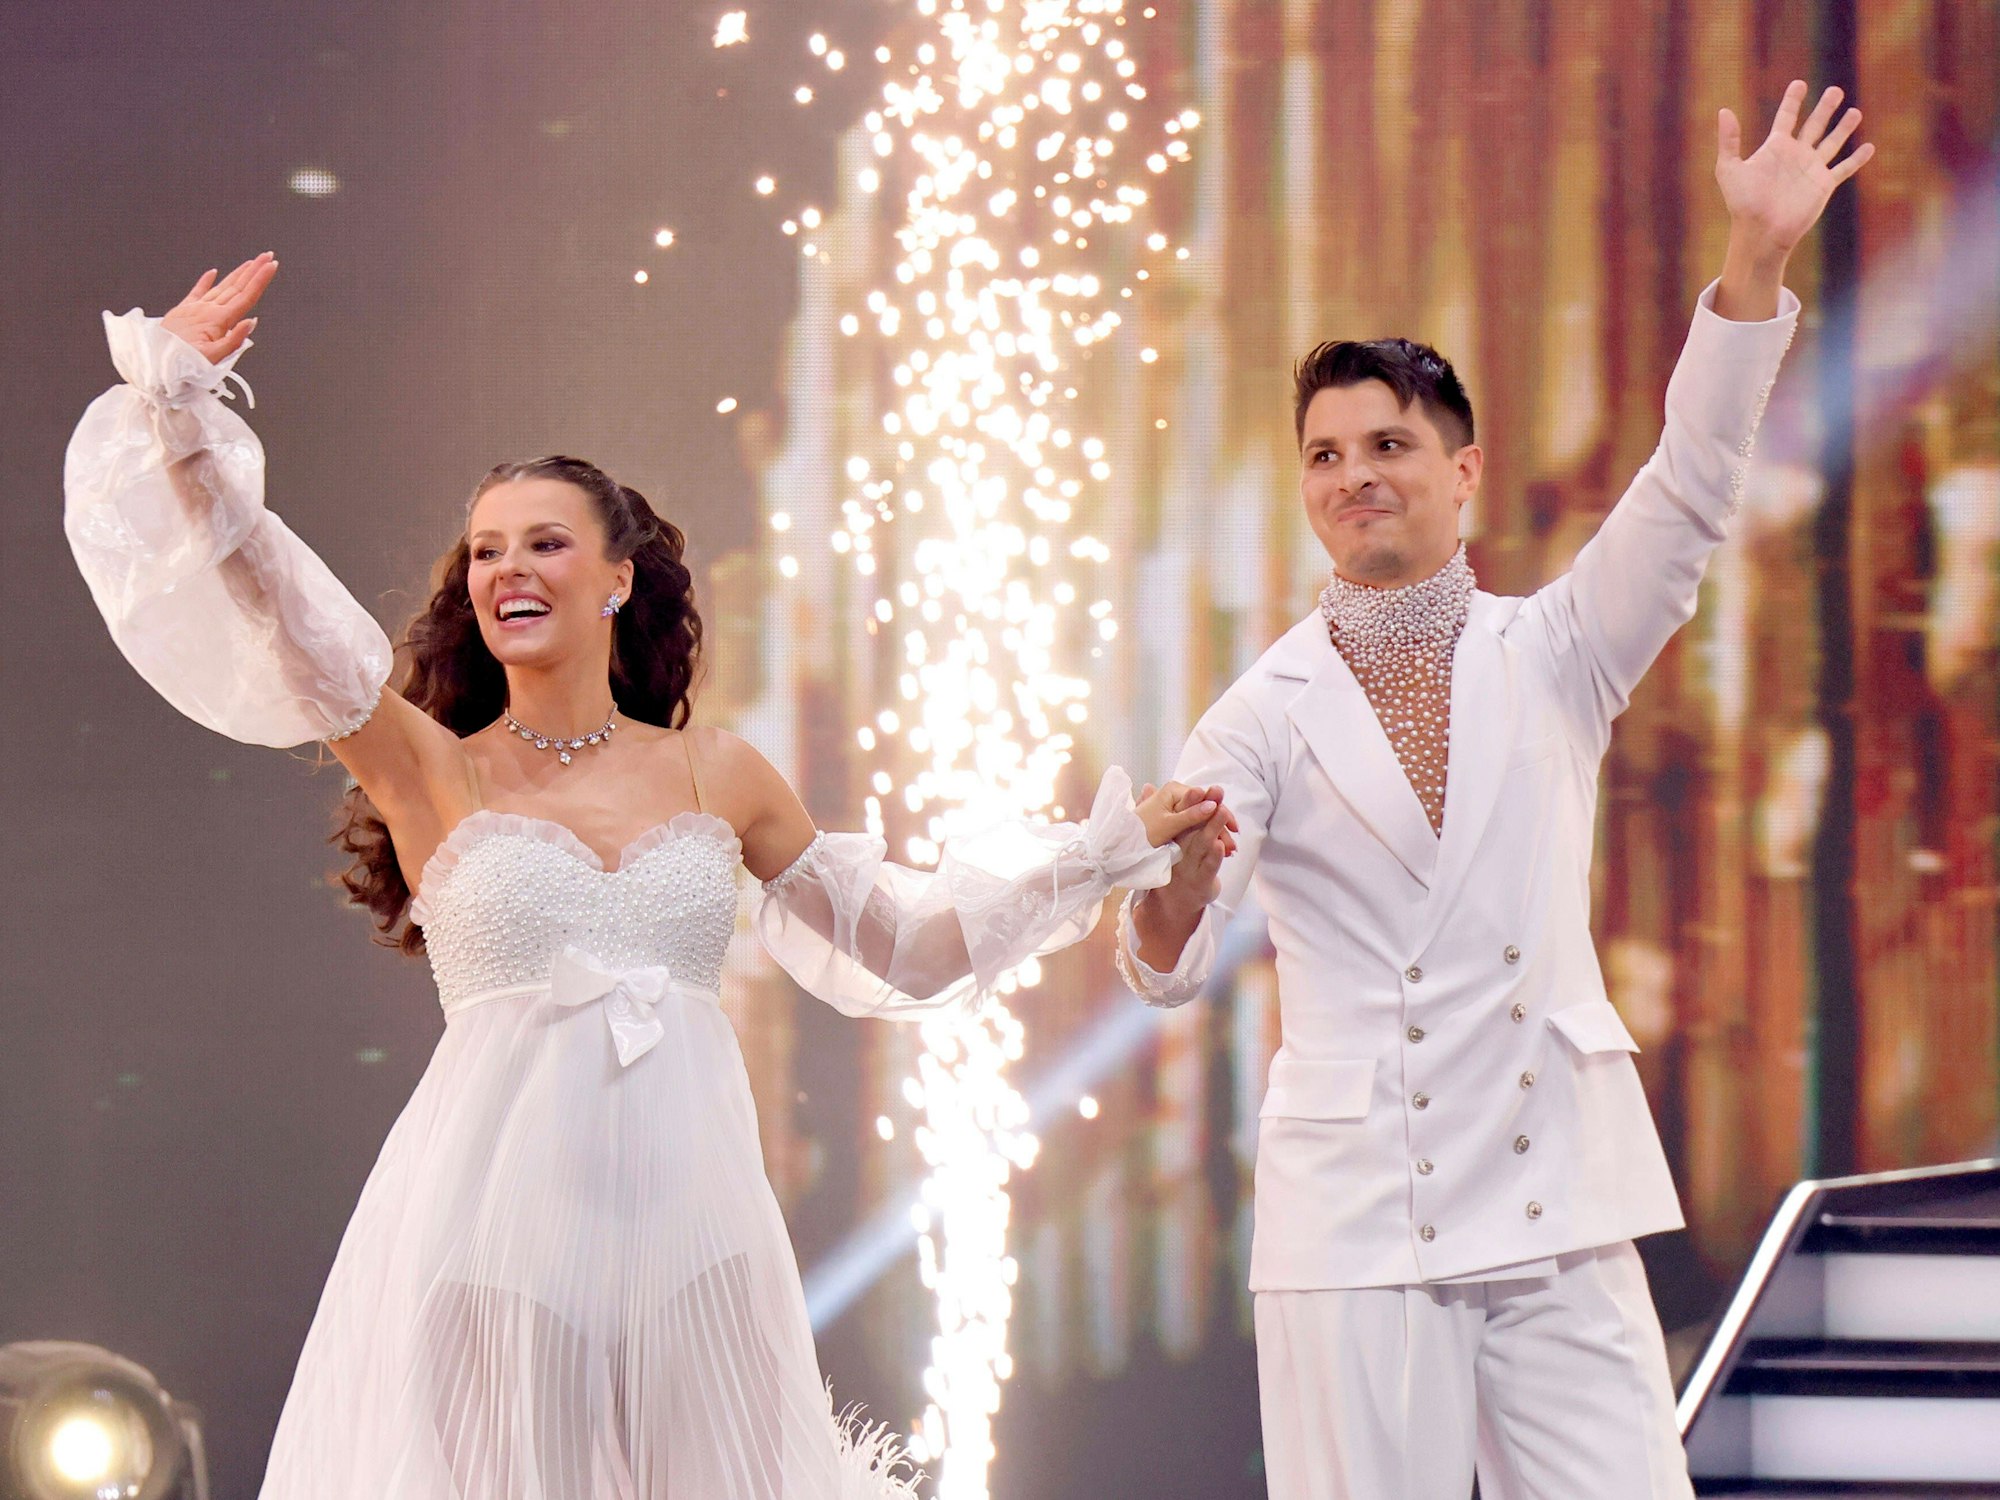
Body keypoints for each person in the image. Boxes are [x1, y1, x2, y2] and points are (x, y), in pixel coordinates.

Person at [63, 255, 1224, 1499]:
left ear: (617, 579)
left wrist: (1100, 853)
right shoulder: (432, 769)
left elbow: (902, 948)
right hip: (496, 1242)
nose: (507, 569)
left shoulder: (718, 774)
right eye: (485, 551)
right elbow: (273, 601)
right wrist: (177, 410)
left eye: (545, 543)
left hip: (693, 1240)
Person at [1116, 83, 1873, 1497]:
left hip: (1554, 1204)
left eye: (1387, 446)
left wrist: (1756, 255)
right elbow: (1165, 964)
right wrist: (1172, 893)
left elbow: (1690, 485)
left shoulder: (1557, 649)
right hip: (1358, 1227)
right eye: (1325, 456)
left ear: (1463, 470)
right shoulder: (1259, 712)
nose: (1354, 477)